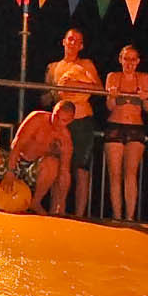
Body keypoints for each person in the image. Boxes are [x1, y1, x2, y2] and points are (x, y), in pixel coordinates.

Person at [0, 101, 75, 214]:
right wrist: (10, 170)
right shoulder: (37, 118)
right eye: (56, 116)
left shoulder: (65, 139)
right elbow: (17, 143)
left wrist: (61, 203)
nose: (57, 122)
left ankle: (35, 202)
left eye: (63, 120)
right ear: (53, 110)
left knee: (53, 163)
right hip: (15, 161)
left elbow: (65, 173)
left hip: (33, 172)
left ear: (70, 121)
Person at [43, 27, 102, 217]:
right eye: (70, 39)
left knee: (81, 169)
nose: (73, 43)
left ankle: (79, 214)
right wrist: (55, 92)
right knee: (58, 165)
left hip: (82, 121)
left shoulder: (86, 64)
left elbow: (99, 89)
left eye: (77, 41)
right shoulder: (53, 67)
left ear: (81, 46)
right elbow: (46, 97)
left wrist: (74, 85)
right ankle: (56, 210)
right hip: (60, 123)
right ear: (64, 41)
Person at [103, 44, 148, 222]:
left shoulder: (143, 78)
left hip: (135, 127)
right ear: (120, 60)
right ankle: (117, 216)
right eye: (126, 59)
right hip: (115, 125)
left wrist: (145, 99)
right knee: (114, 175)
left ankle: (130, 217)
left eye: (133, 59)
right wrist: (111, 96)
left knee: (131, 174)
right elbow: (110, 107)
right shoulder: (113, 77)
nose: (129, 63)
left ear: (138, 61)